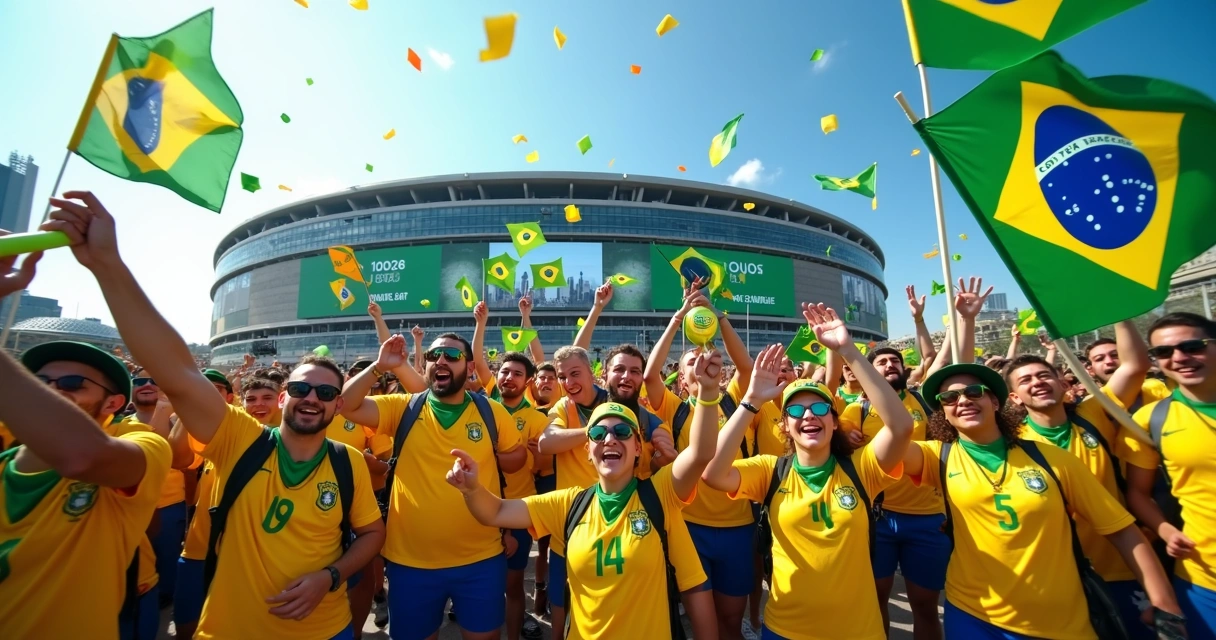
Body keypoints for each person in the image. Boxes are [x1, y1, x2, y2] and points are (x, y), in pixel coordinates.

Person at [42, 191, 386, 639]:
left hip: (328, 629)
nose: (311, 398)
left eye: (325, 392)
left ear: (339, 405)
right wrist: (108, 264)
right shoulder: (238, 436)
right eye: (300, 388)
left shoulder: (347, 460)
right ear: (283, 397)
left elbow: (372, 535)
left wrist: (331, 576)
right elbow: (177, 370)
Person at [885, 277, 1184, 639]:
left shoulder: (1052, 457)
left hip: (1066, 614)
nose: (963, 400)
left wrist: (1164, 601)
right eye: (949, 399)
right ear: (942, 414)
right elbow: (903, 427)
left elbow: (1123, 530)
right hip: (974, 615)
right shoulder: (937, 457)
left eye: (977, 392)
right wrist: (848, 351)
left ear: (997, 401)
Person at [446, 349, 728, 638]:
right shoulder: (568, 503)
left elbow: (701, 453)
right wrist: (472, 489)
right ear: (588, 452)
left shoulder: (660, 495)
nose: (609, 439)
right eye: (597, 434)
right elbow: (495, 511)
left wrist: (707, 393)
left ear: (638, 449)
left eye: (622, 432)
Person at [703, 302, 916, 640]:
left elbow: (902, 427)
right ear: (784, 426)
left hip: (858, 630)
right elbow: (713, 473)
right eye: (796, 411)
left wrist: (848, 350)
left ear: (834, 421)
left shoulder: (863, 467)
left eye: (819, 408)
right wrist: (752, 401)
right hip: (786, 629)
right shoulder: (769, 471)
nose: (808, 416)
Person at [340, 332, 527, 640]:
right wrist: (379, 366)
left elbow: (516, 457)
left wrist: (495, 463)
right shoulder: (403, 408)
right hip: (410, 564)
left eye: (452, 356)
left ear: (469, 368)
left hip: (481, 560)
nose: (441, 360)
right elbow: (345, 404)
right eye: (433, 356)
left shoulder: (490, 412)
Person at [1004, 320, 1156, 637]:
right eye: (1026, 380)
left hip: (1121, 567)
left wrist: (1118, 313)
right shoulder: (1012, 441)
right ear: (1014, 398)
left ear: (1063, 383)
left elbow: (1136, 365)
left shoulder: (1094, 413)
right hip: (1058, 576)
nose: (1037, 382)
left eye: (1045, 375)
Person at [643, 279, 756, 640]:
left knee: (730, 624)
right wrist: (679, 318)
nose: (701, 361)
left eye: (708, 357)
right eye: (691, 360)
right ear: (682, 380)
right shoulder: (673, 408)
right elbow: (649, 375)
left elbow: (747, 368)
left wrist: (717, 316)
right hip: (689, 528)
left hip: (738, 527)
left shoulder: (735, 399)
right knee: (705, 629)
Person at [840, 343, 944, 640]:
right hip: (878, 519)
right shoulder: (855, 408)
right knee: (876, 598)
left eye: (895, 360)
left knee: (925, 605)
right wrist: (845, 434)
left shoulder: (925, 402)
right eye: (882, 361)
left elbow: (941, 359)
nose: (890, 364)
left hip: (926, 518)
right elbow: (839, 451)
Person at [1123, 312, 1216, 637]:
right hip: (1202, 581)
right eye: (1163, 352)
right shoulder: (1150, 420)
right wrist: (1164, 530)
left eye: (1192, 346)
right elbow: (1137, 492)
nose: (1179, 358)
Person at [471, 301, 549, 640]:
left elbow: (543, 470)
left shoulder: (537, 419)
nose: (508, 378)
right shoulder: (486, 403)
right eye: (504, 372)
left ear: (528, 381)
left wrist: (537, 455)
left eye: (517, 374)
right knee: (483, 580)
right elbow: (475, 358)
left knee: (513, 584)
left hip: (517, 509)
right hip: (477, 508)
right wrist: (482, 322)